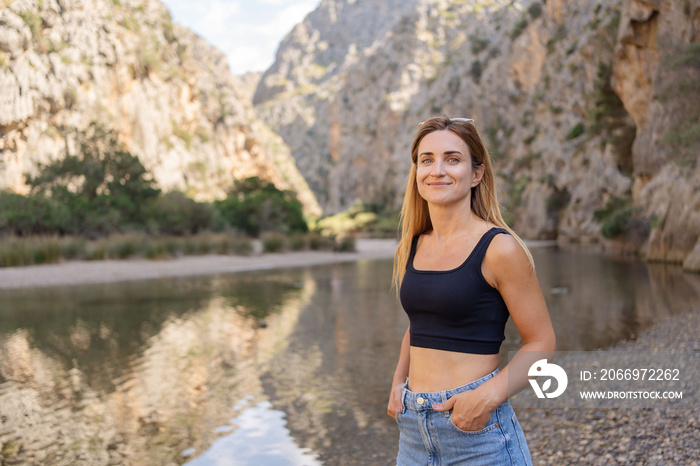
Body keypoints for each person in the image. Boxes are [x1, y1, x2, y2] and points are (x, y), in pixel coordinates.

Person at [387, 116, 556, 465]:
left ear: (476, 174)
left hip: (477, 437)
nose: (437, 170)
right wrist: (398, 381)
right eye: (426, 159)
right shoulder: (413, 245)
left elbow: (542, 344)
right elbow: (419, 323)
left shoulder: (499, 248)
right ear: (416, 171)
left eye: (452, 159)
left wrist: (486, 397)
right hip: (414, 432)